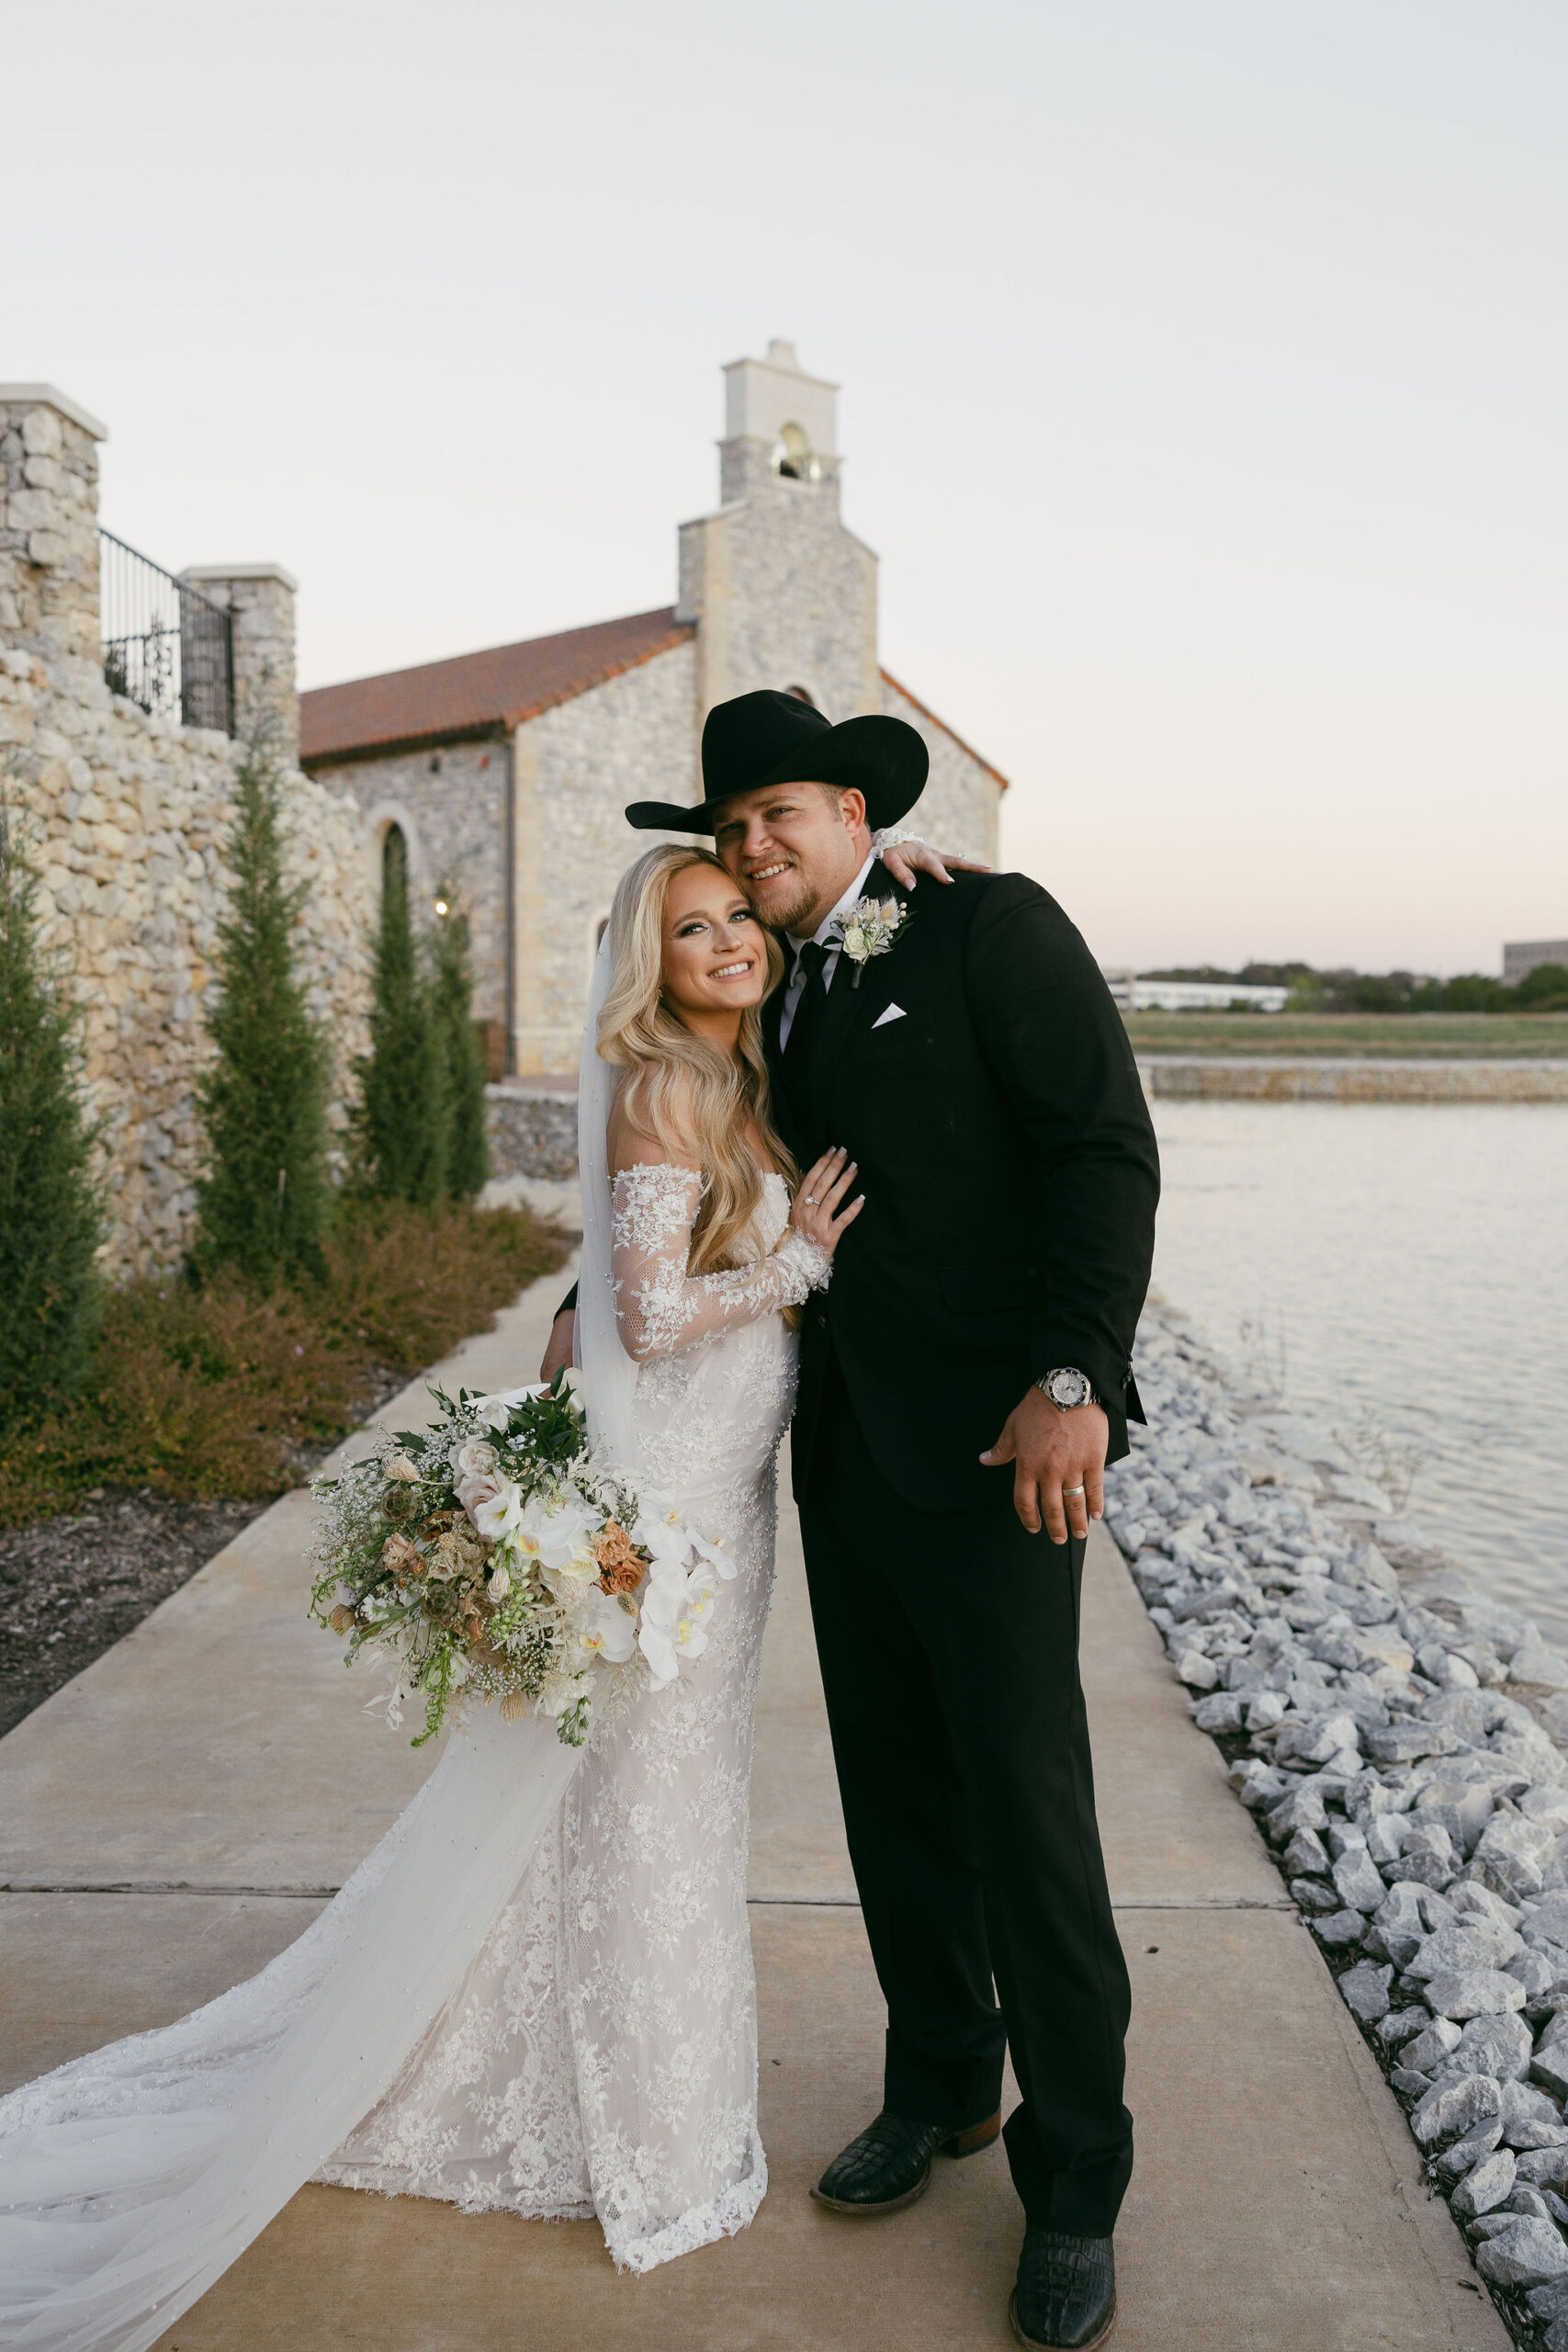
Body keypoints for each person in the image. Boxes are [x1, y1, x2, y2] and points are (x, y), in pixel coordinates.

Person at [0, 839, 866, 2345]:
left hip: (719, 1491)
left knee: (640, 1807)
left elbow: (619, 1287)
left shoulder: (736, 1074)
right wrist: (793, 1266)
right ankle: (640, 2135)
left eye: (738, 916)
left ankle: (575, 2082)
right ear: (647, 961)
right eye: (692, 929)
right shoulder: (669, 1085)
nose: (729, 942)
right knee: (648, 1811)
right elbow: (658, 1317)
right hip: (672, 1507)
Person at [543, 689, 1160, 2352]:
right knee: (895, 1796)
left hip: (997, 1452)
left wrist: (1074, 1377)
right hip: (829, 1460)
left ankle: (1078, 2181)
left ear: (849, 810)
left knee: (1029, 1814)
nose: (754, 848)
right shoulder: (774, 984)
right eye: (731, 830)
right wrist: (576, 1300)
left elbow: (1104, 1153)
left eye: (783, 819)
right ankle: (943, 2085)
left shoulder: (988, 929)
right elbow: (691, 1171)